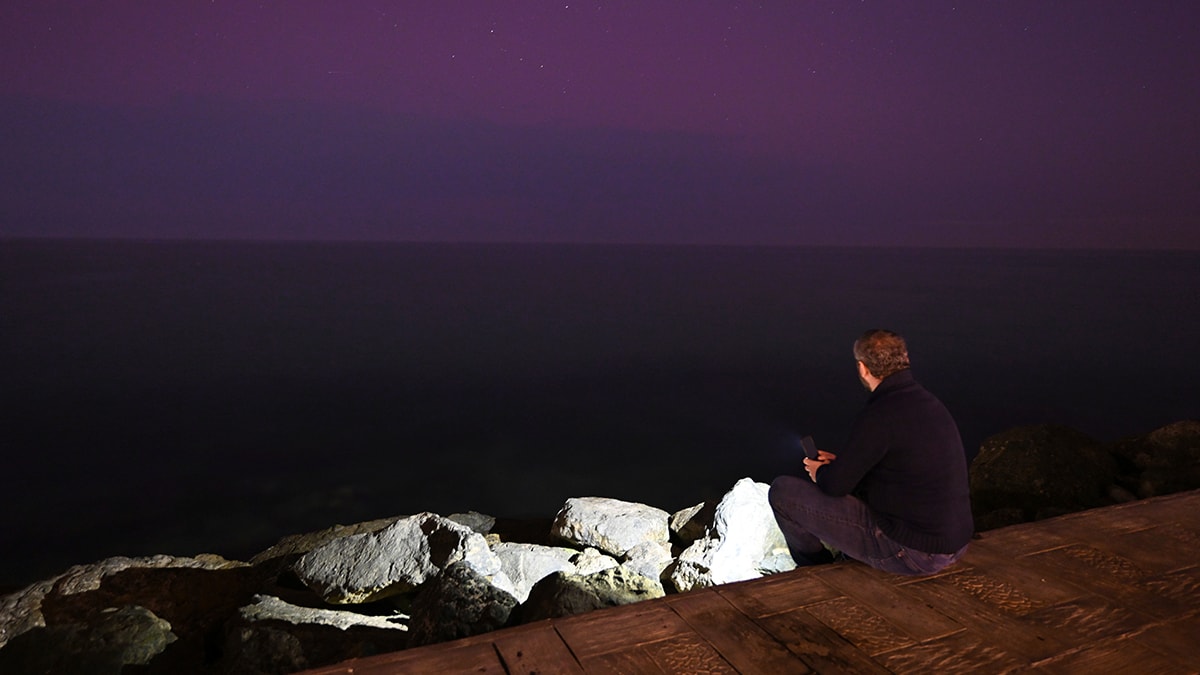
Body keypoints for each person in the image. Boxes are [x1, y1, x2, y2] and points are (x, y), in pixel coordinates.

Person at [768, 329, 973, 575]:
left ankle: (817, 570)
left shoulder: (881, 413)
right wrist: (842, 464)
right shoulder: (929, 404)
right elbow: (900, 466)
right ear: (905, 360)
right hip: (954, 544)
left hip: (915, 553)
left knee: (782, 492)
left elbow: (834, 487)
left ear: (863, 368)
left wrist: (820, 471)